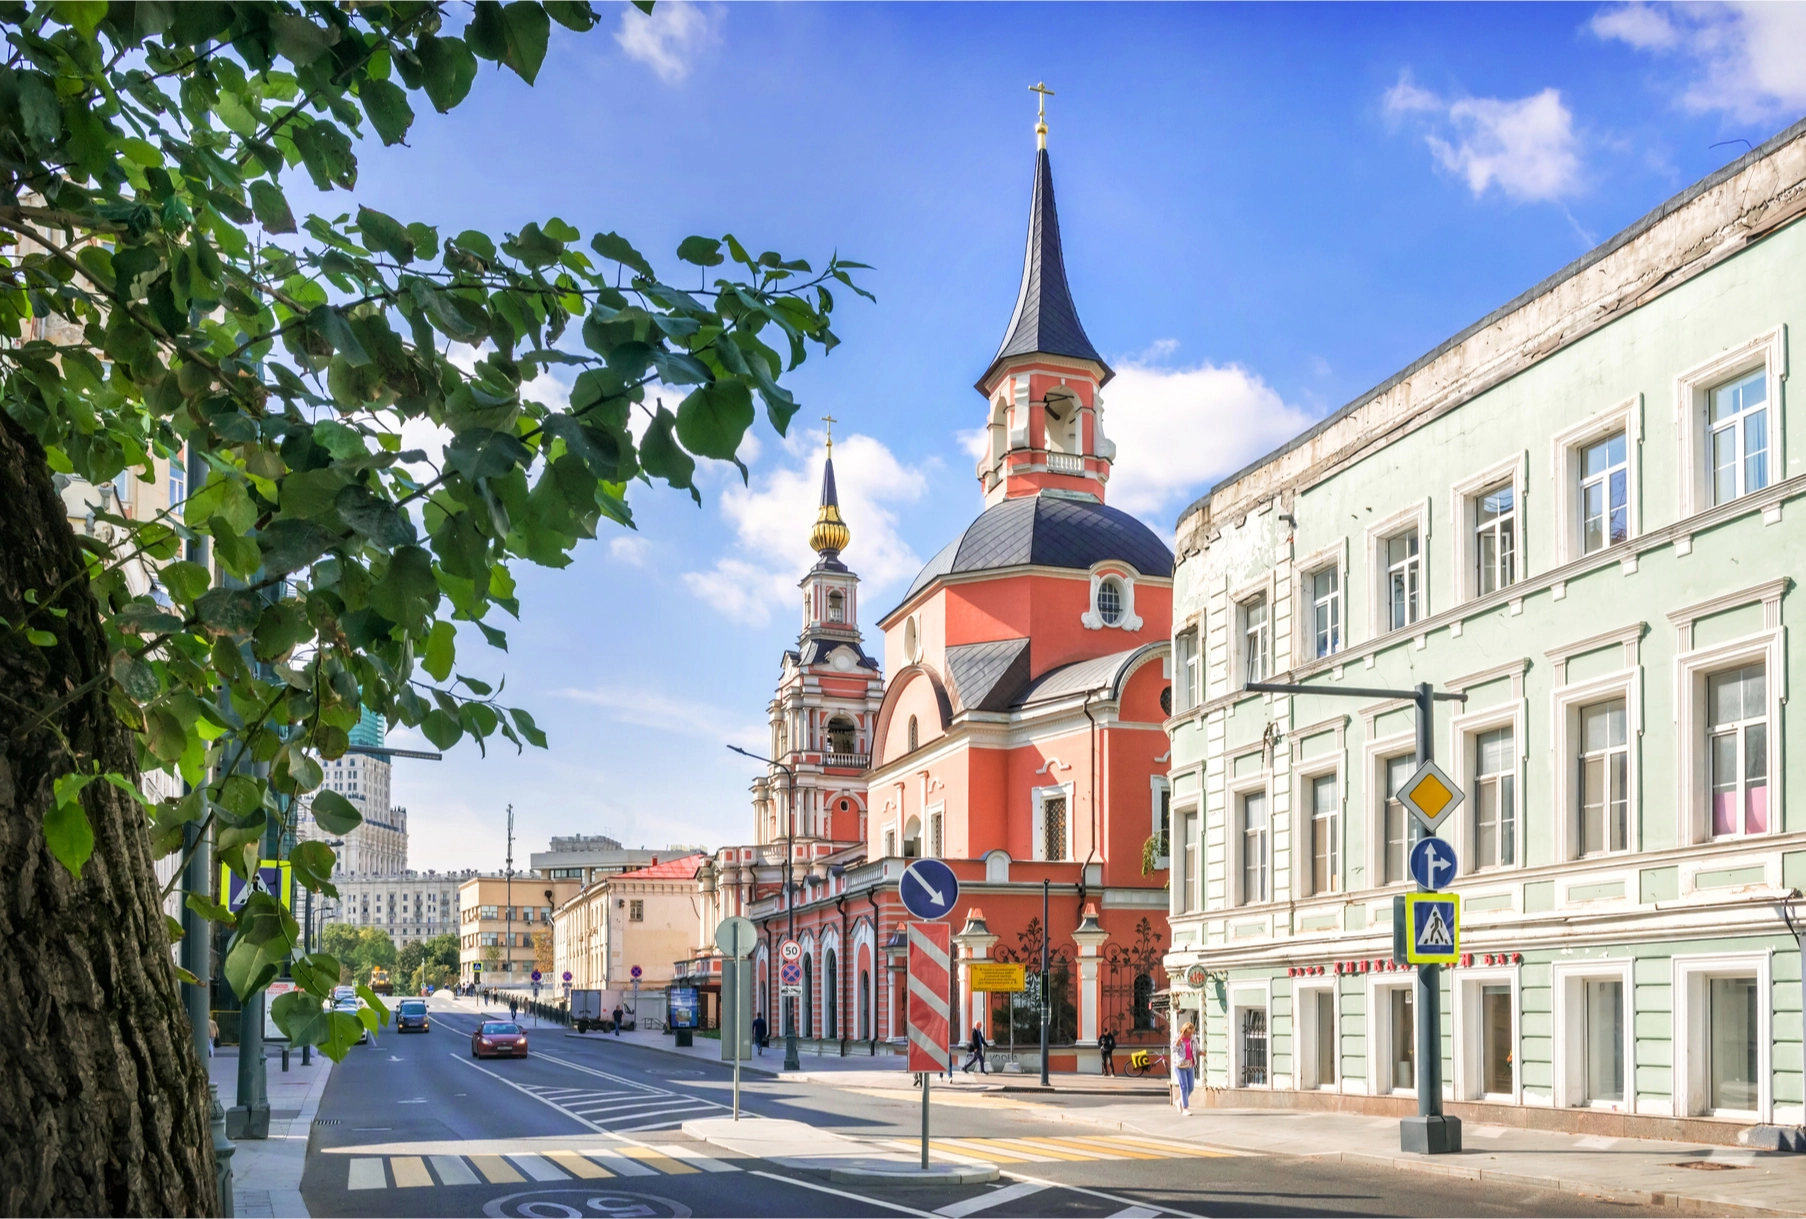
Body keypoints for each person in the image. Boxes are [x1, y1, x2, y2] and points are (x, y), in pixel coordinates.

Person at [1173, 1021, 1198, 1116]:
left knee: (1191, 1087)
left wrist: (1201, 1052)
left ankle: (1179, 1101)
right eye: (1189, 1033)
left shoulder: (1193, 1038)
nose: (1190, 1035)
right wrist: (1179, 1039)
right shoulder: (1178, 1037)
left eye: (1192, 1032)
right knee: (1184, 1086)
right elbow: (1174, 1049)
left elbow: (1197, 1048)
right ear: (1184, 1031)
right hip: (1180, 1066)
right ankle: (1185, 1108)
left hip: (1189, 1065)